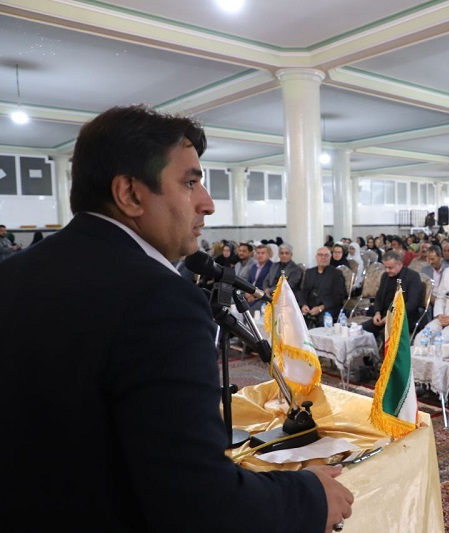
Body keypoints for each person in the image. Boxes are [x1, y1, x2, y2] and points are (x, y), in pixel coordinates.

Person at [0, 105, 352, 530]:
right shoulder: (158, 299)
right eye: (190, 182)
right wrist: (310, 497)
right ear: (130, 194)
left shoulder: (13, 273)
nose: (208, 204)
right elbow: (197, 502)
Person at [363, 249, 424, 337]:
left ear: (399, 264)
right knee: (361, 330)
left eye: (390, 268)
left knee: (387, 336)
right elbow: (379, 297)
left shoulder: (412, 276)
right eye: (385, 267)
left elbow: (412, 304)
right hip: (383, 315)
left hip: (403, 317)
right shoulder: (385, 276)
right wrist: (377, 312)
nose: (387, 270)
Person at [298, 247, 348, 328]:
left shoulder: (336, 274)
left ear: (330, 257)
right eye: (320, 255)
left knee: (323, 320)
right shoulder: (309, 272)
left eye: (326, 255)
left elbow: (338, 296)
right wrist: (303, 305)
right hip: (310, 306)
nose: (323, 257)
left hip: (328, 307)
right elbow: (303, 291)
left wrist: (320, 308)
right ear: (316, 257)